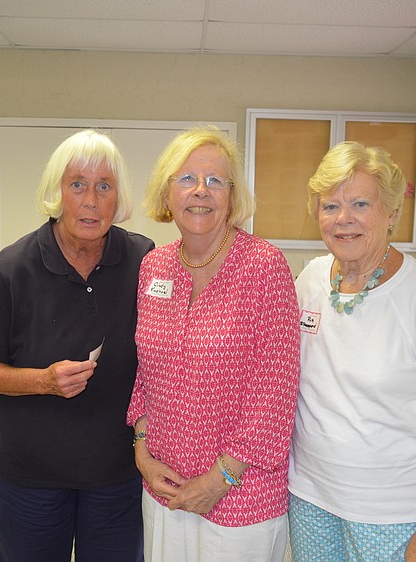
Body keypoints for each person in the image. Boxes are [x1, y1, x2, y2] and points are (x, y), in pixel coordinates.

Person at [0, 130, 154, 562]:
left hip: (117, 472)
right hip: (29, 473)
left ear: (117, 197)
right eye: (77, 184)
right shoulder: (12, 269)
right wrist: (42, 381)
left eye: (104, 186)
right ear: (56, 193)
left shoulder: (144, 260)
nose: (91, 200)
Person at [289, 141, 416, 562]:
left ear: (392, 213)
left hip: (394, 513)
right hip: (309, 498)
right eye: (330, 206)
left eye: (360, 203)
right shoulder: (311, 279)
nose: (344, 219)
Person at [126, 125, 301, 562]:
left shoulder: (264, 266)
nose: (200, 191)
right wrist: (142, 451)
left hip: (241, 491)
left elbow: (276, 388)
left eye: (215, 180)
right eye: (186, 179)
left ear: (232, 195)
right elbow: (144, 372)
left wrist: (221, 478)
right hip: (164, 483)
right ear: (167, 193)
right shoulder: (154, 267)